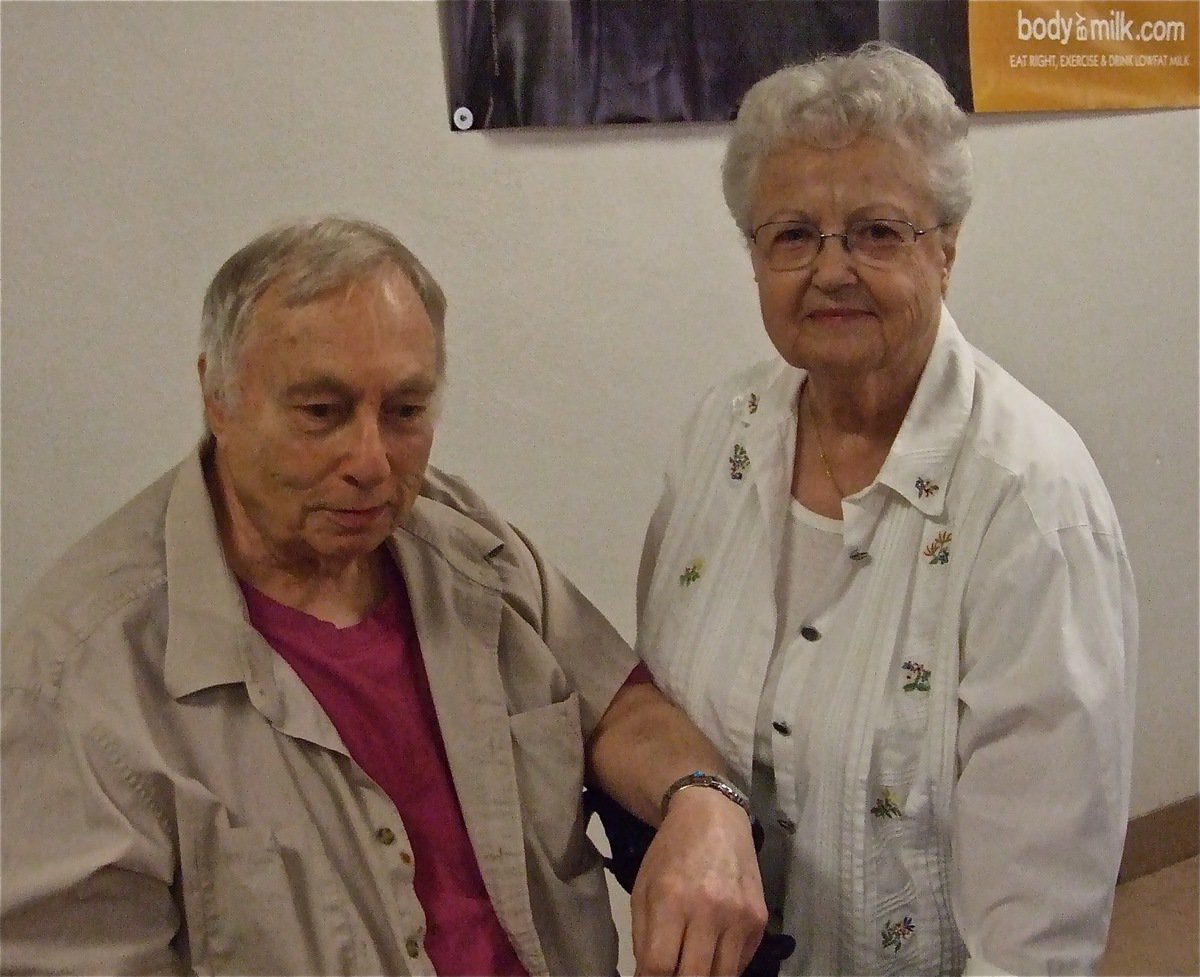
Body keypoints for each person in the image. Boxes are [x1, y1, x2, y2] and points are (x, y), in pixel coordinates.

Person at [0, 216, 767, 976]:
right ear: (218, 397)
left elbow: (617, 703)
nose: (370, 461)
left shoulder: (469, 549)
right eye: (321, 412)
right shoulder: (81, 676)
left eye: (404, 412)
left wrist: (704, 801)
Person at [634, 43, 1137, 976]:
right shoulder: (721, 437)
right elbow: (658, 701)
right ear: (753, 255)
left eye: (876, 231)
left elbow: (1039, 928)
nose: (831, 271)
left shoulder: (1029, 507)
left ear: (945, 248)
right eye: (791, 235)